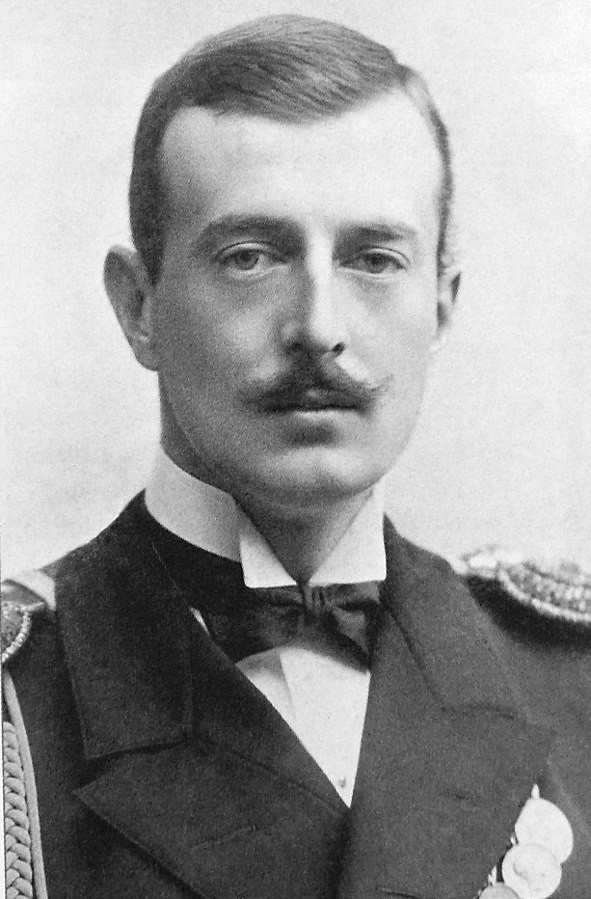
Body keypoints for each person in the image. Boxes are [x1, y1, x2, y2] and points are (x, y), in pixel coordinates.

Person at [2, 14, 590, 899]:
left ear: (440, 305)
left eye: (374, 259)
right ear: (138, 306)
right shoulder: (17, 711)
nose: (318, 327)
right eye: (250, 257)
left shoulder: (569, 683)